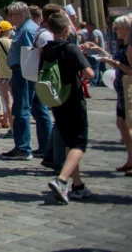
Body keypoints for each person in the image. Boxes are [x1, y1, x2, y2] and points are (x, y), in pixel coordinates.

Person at [40, 12, 94, 203]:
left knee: (69, 142)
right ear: (66, 29)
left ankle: (77, 185)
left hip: (56, 98)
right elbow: (90, 73)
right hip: (73, 98)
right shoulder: (70, 48)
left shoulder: (47, 49)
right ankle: (62, 180)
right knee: (79, 143)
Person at [3, 2, 52, 160]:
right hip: (24, 73)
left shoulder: (27, 30)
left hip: (25, 74)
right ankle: (46, 147)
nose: (10, 18)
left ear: (22, 15)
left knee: (22, 110)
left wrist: (24, 74)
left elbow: (31, 54)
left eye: (12, 15)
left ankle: (23, 148)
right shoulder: (24, 28)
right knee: (38, 109)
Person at [82, 13, 131, 173]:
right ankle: (130, 159)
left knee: (127, 125)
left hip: (128, 88)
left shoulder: (129, 47)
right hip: (121, 89)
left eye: (117, 28)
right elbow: (114, 58)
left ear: (126, 29)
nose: (115, 31)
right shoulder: (123, 44)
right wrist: (99, 50)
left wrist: (113, 62)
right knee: (121, 123)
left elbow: (129, 69)